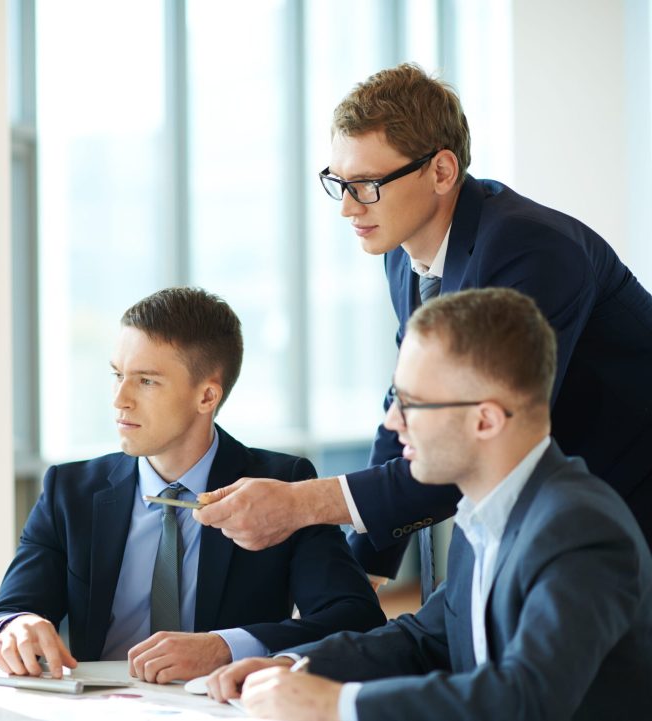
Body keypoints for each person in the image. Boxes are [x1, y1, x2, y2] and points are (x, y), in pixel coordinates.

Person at [195, 62, 652, 588]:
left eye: (366, 185)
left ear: (441, 171)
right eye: (338, 182)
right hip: (546, 518)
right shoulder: (403, 254)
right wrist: (364, 571)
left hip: (622, 510)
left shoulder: (528, 251)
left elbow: (472, 438)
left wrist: (301, 504)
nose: (346, 208)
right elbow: (409, 407)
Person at [206, 287, 652, 721]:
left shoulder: (578, 527)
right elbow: (424, 638)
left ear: (485, 419)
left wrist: (333, 706)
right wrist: (294, 665)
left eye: (412, 403)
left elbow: (527, 698)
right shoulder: (485, 513)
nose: (391, 421)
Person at [0, 287, 385, 683]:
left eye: (146, 381)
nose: (119, 399)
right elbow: (1, 617)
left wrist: (224, 647)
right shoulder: (70, 490)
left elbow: (356, 617)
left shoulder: (280, 485)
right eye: (117, 374)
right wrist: (14, 626)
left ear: (206, 396)